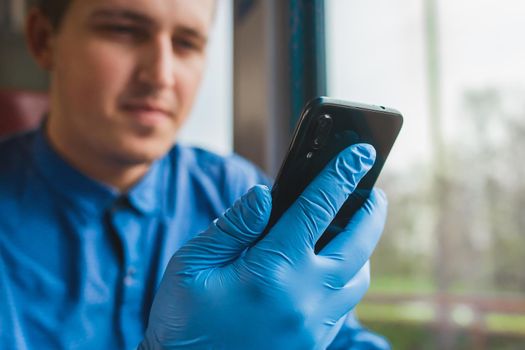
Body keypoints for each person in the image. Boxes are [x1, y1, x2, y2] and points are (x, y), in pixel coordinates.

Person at [0, 0, 391, 349]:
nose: (161, 75)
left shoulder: (236, 189)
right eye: (123, 30)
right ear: (43, 40)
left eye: (187, 43)